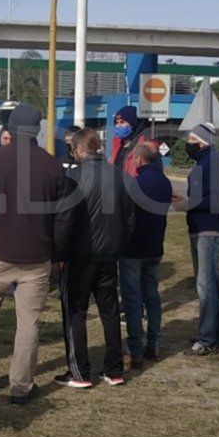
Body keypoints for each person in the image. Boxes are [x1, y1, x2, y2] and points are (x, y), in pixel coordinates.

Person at [0, 103, 72, 405]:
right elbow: (63, 218)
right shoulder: (53, 166)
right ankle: (21, 386)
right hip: (36, 256)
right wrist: (55, 251)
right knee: (28, 322)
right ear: (37, 131)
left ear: (9, 130)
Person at [56, 127, 135, 389]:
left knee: (75, 312)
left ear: (80, 149)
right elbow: (130, 218)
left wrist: (60, 252)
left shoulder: (74, 177)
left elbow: (65, 219)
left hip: (80, 254)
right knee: (109, 311)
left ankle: (80, 371)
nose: (71, 153)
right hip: (109, 253)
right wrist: (119, 245)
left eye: (73, 149)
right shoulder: (120, 176)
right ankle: (114, 369)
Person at [172, 122, 219, 356]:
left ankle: (209, 339)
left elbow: (218, 200)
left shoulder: (215, 163)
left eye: (191, 139)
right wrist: (184, 201)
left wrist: (189, 204)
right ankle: (213, 333)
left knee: (206, 285)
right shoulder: (203, 163)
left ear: (202, 142)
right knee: (206, 284)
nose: (188, 144)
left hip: (209, 230)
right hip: (199, 228)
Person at [121, 142, 173, 368]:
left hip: (133, 249)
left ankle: (135, 349)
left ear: (139, 160)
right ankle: (154, 343)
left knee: (133, 300)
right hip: (155, 247)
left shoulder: (135, 184)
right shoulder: (165, 182)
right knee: (152, 296)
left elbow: (128, 216)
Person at [108, 106, 152, 177]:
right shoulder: (117, 146)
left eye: (122, 122)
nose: (118, 126)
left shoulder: (142, 147)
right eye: (116, 123)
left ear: (132, 125)